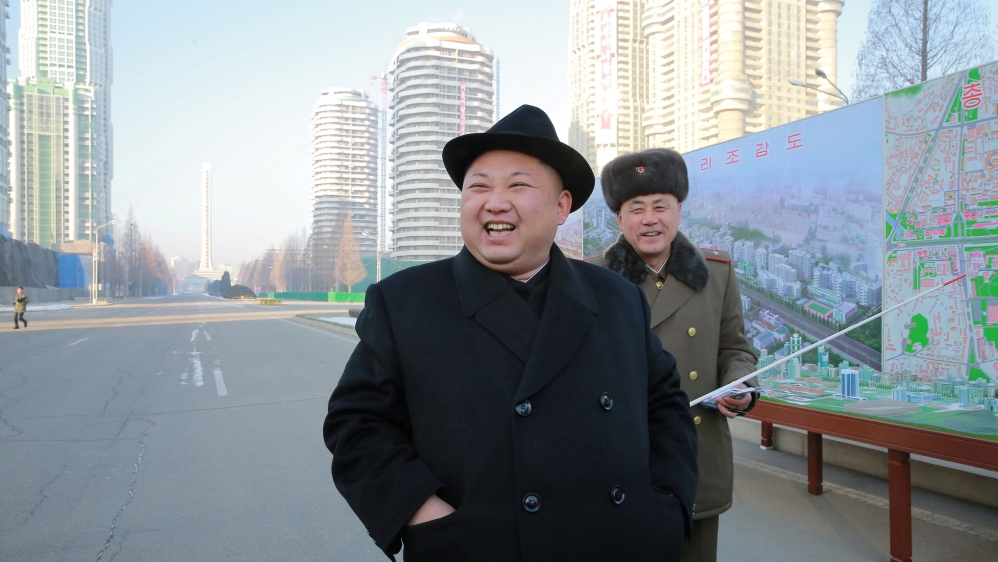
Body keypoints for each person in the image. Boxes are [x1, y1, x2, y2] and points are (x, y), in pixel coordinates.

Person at [323, 106, 698, 562]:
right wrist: (424, 514)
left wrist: (668, 503)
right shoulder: (404, 301)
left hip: (618, 544)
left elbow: (665, 405)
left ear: (561, 206)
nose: (494, 202)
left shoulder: (617, 298)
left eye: (518, 185)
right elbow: (356, 425)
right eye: (478, 186)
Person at [590, 149, 758, 562]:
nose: (650, 219)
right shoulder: (592, 280)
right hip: (619, 456)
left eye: (660, 206)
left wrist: (741, 385)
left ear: (679, 211)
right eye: (637, 208)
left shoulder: (717, 274)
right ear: (620, 219)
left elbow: (736, 348)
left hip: (695, 451)